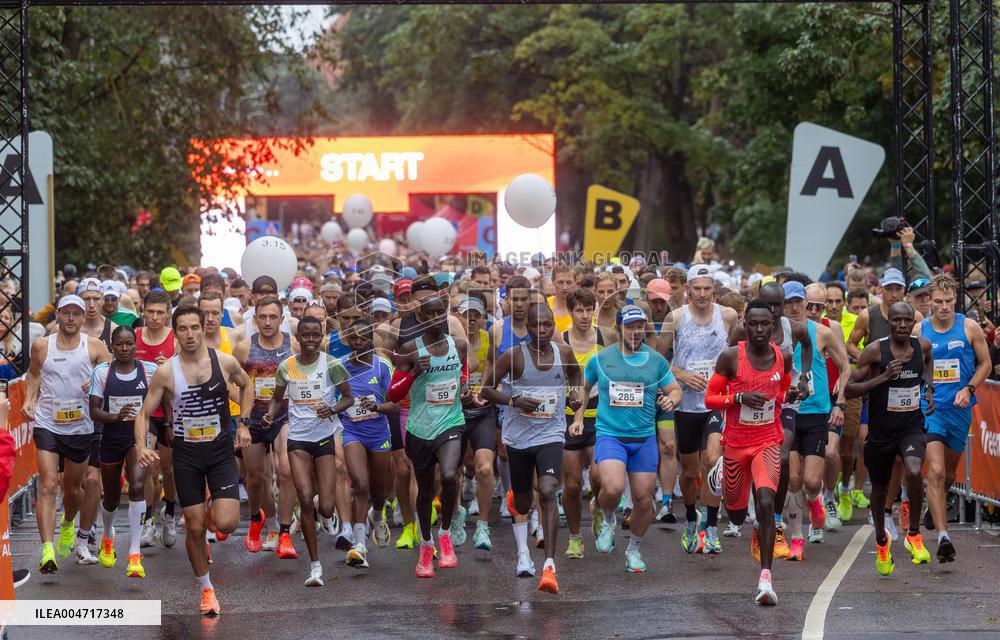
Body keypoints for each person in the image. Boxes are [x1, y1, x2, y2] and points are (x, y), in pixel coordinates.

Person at [134, 305, 254, 616]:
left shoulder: (223, 361)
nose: (190, 334)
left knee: (226, 523)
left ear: (204, 328)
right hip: (186, 455)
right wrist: (141, 446)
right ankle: (206, 589)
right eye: (183, 329)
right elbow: (143, 414)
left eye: (194, 328)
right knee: (196, 528)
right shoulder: (166, 371)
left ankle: (213, 503)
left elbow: (247, 385)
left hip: (219, 453)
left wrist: (244, 424)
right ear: (175, 333)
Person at [571, 304, 681, 572]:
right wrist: (577, 417)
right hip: (611, 435)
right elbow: (584, 387)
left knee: (644, 500)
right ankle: (607, 516)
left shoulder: (655, 360)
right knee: (612, 488)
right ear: (619, 328)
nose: (635, 331)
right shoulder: (601, 359)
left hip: (643, 438)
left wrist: (671, 400)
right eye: (629, 326)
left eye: (639, 326)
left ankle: (633, 549)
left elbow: (675, 389)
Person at [482, 304, 581, 593]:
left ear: (553, 326)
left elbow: (576, 376)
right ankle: (521, 544)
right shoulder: (514, 356)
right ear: (527, 328)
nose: (541, 331)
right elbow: (486, 389)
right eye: (535, 325)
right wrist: (514, 401)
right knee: (524, 503)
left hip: (551, 434)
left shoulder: (563, 353)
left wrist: (575, 394)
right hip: (519, 439)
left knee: (548, 490)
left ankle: (549, 565)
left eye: (546, 325)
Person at [705, 299, 796, 605]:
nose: (759, 329)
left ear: (773, 325)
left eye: (764, 324)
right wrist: (738, 397)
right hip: (736, 444)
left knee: (766, 502)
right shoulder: (731, 357)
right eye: (753, 324)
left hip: (768, 440)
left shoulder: (783, 356)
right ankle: (721, 474)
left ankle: (766, 579)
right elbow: (710, 399)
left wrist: (791, 394)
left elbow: (782, 391)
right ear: (745, 325)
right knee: (737, 513)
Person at [23, 294, 111, 573]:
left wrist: (95, 379)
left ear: (83, 317)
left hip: (81, 426)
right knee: (49, 484)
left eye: (76, 314)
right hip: (48, 423)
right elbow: (33, 374)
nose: (71, 318)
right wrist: (29, 399)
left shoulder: (94, 346)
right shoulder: (42, 346)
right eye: (66, 313)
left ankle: (68, 523)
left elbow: (111, 375)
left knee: (73, 489)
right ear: (58, 315)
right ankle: (47, 550)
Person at [263, 316, 353, 584]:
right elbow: (277, 399)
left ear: (322, 336)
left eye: (316, 335)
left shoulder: (331, 364)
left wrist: (333, 409)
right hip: (298, 439)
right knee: (303, 498)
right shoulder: (287, 366)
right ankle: (315, 567)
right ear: (298, 337)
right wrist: (270, 414)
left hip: (324, 438)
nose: (311, 340)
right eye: (306, 335)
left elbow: (348, 398)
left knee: (325, 506)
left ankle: (326, 513)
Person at [846, 302, 934, 574]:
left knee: (914, 471)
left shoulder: (922, 346)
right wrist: (883, 377)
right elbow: (849, 389)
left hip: (911, 427)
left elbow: (928, 363)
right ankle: (881, 541)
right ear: (889, 322)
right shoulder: (875, 350)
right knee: (880, 489)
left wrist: (929, 389)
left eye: (907, 320)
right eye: (897, 320)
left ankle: (914, 534)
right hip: (881, 431)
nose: (902, 325)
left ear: (913, 322)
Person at [655, 264, 737, 554]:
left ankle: (711, 526)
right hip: (686, 405)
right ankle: (691, 518)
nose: (702, 294)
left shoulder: (728, 316)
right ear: (688, 290)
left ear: (714, 290)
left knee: (713, 460)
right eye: (697, 289)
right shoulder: (676, 318)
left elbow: (736, 355)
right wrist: (680, 374)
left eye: (707, 289)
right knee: (690, 472)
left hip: (716, 403)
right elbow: (658, 359)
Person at [388, 295, 469, 578]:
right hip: (420, 428)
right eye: (430, 313)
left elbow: (462, 374)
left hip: (451, 421)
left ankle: (445, 535)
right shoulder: (410, 349)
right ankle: (426, 543)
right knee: (424, 491)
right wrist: (413, 374)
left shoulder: (459, 345)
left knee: (448, 476)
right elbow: (393, 394)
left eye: (440, 312)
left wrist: (464, 387)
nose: (436, 318)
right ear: (421, 317)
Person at [730, 281, 812, 560]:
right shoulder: (743, 330)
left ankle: (773, 522)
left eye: (780, 304)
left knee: (783, 457)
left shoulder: (794, 328)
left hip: (784, 401)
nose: (776, 310)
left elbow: (807, 346)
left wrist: (804, 377)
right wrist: (736, 395)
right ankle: (761, 517)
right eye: (770, 304)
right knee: (752, 469)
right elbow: (729, 361)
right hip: (750, 406)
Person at [914, 273, 991, 562]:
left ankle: (934, 506)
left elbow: (986, 363)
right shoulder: (920, 329)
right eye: (938, 302)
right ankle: (944, 537)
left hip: (959, 410)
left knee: (947, 475)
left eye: (948, 301)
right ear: (930, 301)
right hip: (931, 409)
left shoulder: (968, 327)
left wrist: (968, 388)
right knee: (934, 471)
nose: (944, 307)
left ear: (955, 299)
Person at [89, 326, 158, 578]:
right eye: (119, 344)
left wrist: (168, 426)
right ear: (112, 346)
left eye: (129, 343)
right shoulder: (102, 372)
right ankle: (108, 535)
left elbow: (164, 399)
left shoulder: (149, 370)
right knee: (111, 498)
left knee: (138, 485)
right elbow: (94, 411)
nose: (125, 348)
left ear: (136, 345)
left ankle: (134, 554)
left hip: (139, 437)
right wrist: (115, 417)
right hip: (111, 437)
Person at [784, 281, 848, 552]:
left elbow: (845, 367)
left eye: (801, 302)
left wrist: (839, 403)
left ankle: (815, 499)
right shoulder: (776, 333)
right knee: (793, 479)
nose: (797, 308)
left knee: (811, 481)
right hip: (787, 412)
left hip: (816, 413)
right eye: (791, 303)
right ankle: (797, 536)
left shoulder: (822, 332)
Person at [233, 295, 298, 557]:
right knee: (257, 477)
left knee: (286, 470)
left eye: (273, 317)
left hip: (285, 417)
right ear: (255, 319)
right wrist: (243, 402)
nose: (268, 322)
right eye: (263, 317)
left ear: (282, 319)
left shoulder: (293, 345)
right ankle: (261, 520)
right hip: (252, 419)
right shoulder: (244, 348)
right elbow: (228, 379)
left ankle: (284, 532)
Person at [338, 318, 396, 568]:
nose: (358, 342)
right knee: (360, 485)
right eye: (353, 338)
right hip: (352, 431)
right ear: (347, 340)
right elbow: (332, 398)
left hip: (379, 433)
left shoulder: (381, 365)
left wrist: (377, 407)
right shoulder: (339, 367)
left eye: (363, 337)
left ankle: (378, 513)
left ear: (371, 339)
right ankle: (359, 545)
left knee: (379, 491)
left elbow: (395, 404)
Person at [560, 289, 605, 557]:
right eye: (579, 310)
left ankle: (598, 505)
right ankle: (575, 537)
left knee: (599, 476)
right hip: (569, 417)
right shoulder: (561, 341)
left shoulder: (605, 338)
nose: (585, 316)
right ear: (570, 312)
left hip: (600, 416)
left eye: (589, 309)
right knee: (573, 484)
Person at [134, 290, 178, 548]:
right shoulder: (134, 337)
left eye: (160, 312)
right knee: (149, 468)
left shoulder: (175, 340)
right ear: (143, 311)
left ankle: (169, 514)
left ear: (168, 314)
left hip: (170, 413)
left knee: (169, 469)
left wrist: (171, 364)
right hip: (145, 413)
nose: (154, 317)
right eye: (150, 311)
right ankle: (148, 521)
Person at [456, 294, 497, 551]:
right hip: (455, 413)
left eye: (476, 316)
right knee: (452, 473)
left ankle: (482, 525)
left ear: (483, 318)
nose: (471, 320)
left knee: (484, 468)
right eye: (466, 316)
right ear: (457, 318)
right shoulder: (451, 342)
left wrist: (484, 389)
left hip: (482, 412)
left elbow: (495, 370)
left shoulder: (490, 340)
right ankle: (455, 516)